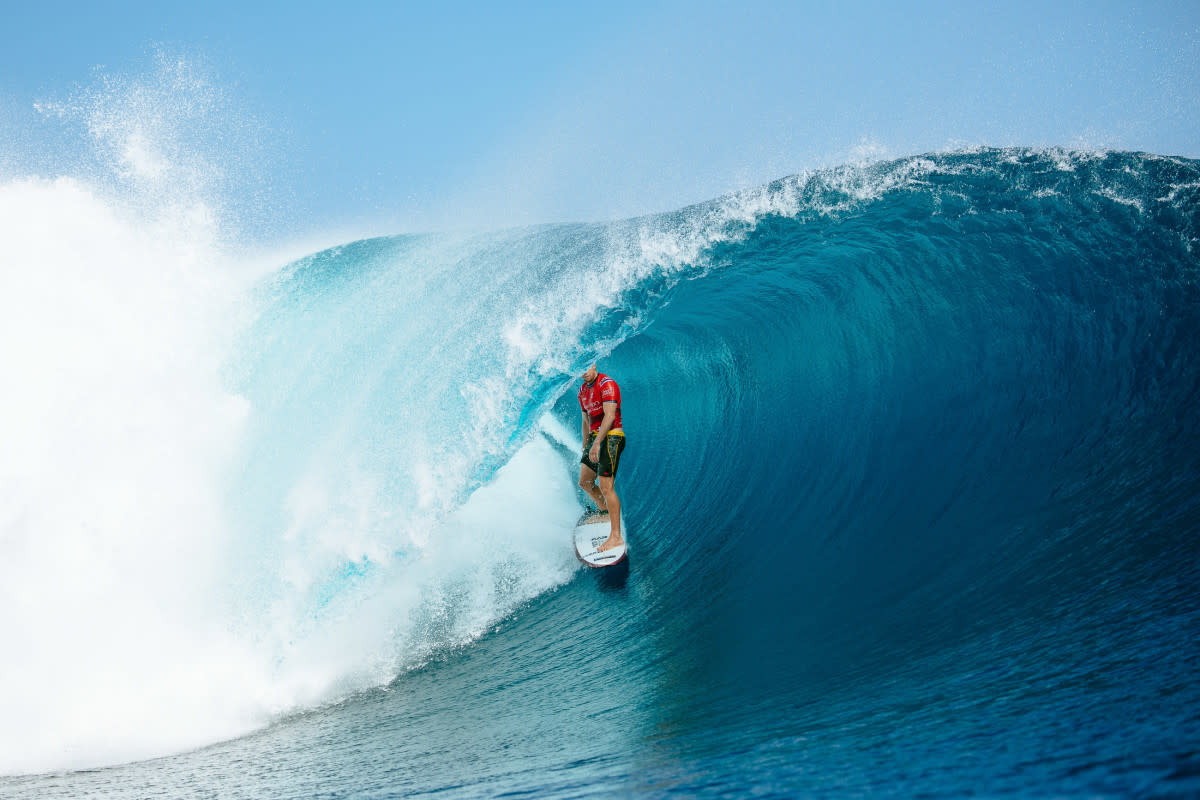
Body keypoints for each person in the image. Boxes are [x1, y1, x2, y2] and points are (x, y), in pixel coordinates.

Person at [578, 362, 626, 552]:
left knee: (606, 487)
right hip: (594, 439)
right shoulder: (582, 390)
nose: (584, 373)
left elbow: (610, 415)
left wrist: (597, 443)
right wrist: (586, 444)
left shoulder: (607, 383)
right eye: (580, 370)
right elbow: (585, 420)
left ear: (594, 364)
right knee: (585, 482)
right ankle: (605, 511)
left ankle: (616, 537)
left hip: (612, 436)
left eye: (586, 368)